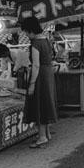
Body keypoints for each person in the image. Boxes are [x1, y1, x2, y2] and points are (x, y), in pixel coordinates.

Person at [20, 17, 57, 148]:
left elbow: (35, 65)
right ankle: (46, 133)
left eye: (25, 31)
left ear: (30, 30)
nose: (25, 34)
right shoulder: (46, 40)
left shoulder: (35, 43)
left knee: (39, 104)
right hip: (48, 74)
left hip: (40, 75)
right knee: (46, 102)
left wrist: (32, 84)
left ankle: (42, 137)